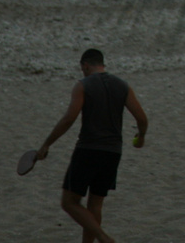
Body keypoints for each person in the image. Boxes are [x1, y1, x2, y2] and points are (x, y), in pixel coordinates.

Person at [36, 49, 149, 243]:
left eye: (82, 69)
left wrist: (47, 143)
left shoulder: (83, 85)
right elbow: (142, 118)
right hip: (113, 152)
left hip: (88, 149)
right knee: (95, 205)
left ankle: (103, 238)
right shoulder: (122, 85)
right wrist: (141, 137)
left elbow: (69, 119)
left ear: (85, 65)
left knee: (69, 202)